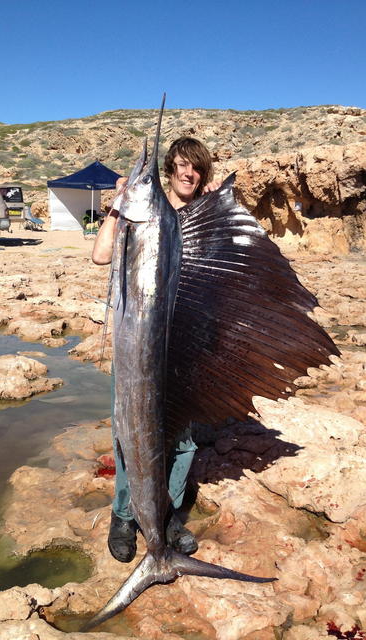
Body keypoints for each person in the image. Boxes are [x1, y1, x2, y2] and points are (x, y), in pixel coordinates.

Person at [92, 138, 221, 562]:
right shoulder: (142, 212)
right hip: (138, 348)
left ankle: (165, 516)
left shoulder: (203, 215)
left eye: (196, 168)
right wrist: (118, 205)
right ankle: (124, 516)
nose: (188, 174)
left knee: (181, 443)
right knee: (131, 436)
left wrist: (212, 211)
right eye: (182, 166)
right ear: (170, 170)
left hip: (183, 349)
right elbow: (100, 255)